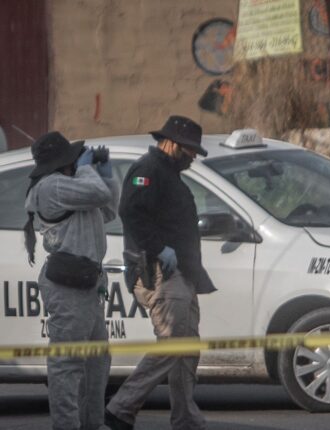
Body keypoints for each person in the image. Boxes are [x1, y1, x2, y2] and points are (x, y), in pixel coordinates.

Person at [105, 115, 216, 430]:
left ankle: (185, 416)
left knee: (186, 347)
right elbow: (130, 212)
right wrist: (158, 249)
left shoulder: (167, 174)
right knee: (172, 344)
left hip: (180, 274)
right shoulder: (148, 171)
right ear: (172, 144)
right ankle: (121, 407)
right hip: (160, 274)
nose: (193, 156)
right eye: (190, 150)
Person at [24, 131, 118, 430]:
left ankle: (92, 423)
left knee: (96, 363)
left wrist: (106, 174)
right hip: (68, 287)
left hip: (87, 285)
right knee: (68, 365)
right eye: (75, 159)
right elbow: (98, 194)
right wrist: (90, 169)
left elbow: (108, 210)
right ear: (64, 162)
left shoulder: (73, 187)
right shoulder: (51, 187)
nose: (79, 161)